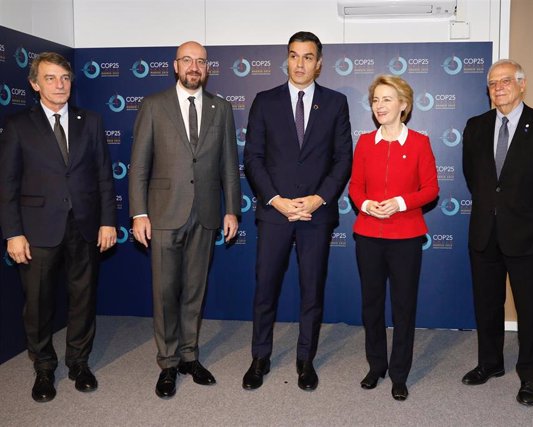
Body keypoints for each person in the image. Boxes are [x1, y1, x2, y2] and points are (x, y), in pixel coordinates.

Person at [0, 52, 117, 402]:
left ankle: (79, 363)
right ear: (35, 85)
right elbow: (7, 183)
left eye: (65, 78)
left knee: (83, 298)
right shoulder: (19, 125)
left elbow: (103, 176)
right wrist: (13, 232)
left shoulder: (91, 121)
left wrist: (108, 221)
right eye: (50, 78)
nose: (60, 84)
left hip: (84, 225)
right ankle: (44, 367)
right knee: (37, 303)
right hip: (37, 230)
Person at [128, 41, 241, 399]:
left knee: (194, 290)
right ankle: (168, 362)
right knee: (165, 291)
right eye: (188, 60)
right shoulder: (153, 105)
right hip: (162, 213)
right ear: (175, 66)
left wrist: (232, 208)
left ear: (207, 69)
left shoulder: (221, 108)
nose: (195, 66)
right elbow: (140, 165)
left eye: (201, 61)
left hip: (206, 213)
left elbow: (228, 163)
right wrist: (138, 212)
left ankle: (189, 356)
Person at [242, 31, 352, 391]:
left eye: (307, 57)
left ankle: (305, 360)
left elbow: (342, 160)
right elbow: (253, 159)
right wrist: (276, 199)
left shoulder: (336, 103)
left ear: (319, 63)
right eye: (294, 56)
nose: (300, 63)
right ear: (286, 60)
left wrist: (318, 199)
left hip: (316, 216)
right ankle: (260, 357)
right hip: (274, 213)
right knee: (265, 290)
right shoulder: (264, 101)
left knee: (311, 291)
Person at [461, 59, 533, 406]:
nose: (499, 88)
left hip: (527, 235)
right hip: (484, 233)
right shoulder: (476, 126)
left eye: (506, 81)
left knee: (529, 310)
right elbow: (474, 178)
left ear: (522, 85)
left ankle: (530, 377)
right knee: (487, 306)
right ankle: (490, 363)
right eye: (493, 83)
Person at [349, 75, 439, 401]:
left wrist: (400, 202)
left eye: (387, 99)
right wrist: (366, 204)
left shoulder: (419, 142)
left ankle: (399, 373)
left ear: (403, 105)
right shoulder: (364, 143)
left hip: (406, 237)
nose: (379, 106)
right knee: (371, 305)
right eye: (375, 100)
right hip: (369, 236)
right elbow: (355, 187)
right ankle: (377, 366)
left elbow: (431, 189)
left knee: (403, 307)